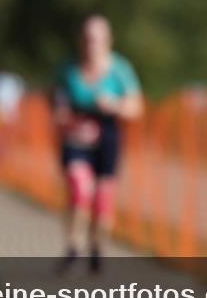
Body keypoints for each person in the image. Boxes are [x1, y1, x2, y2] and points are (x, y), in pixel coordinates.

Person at [53, 15, 143, 273]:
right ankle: (74, 246)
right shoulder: (68, 70)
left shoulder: (120, 69)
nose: (91, 44)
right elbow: (56, 105)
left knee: (103, 199)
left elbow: (136, 107)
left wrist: (114, 105)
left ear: (108, 41)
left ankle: (97, 247)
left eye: (97, 39)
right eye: (87, 38)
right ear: (80, 41)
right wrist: (68, 121)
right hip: (76, 135)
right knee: (79, 188)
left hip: (108, 135)